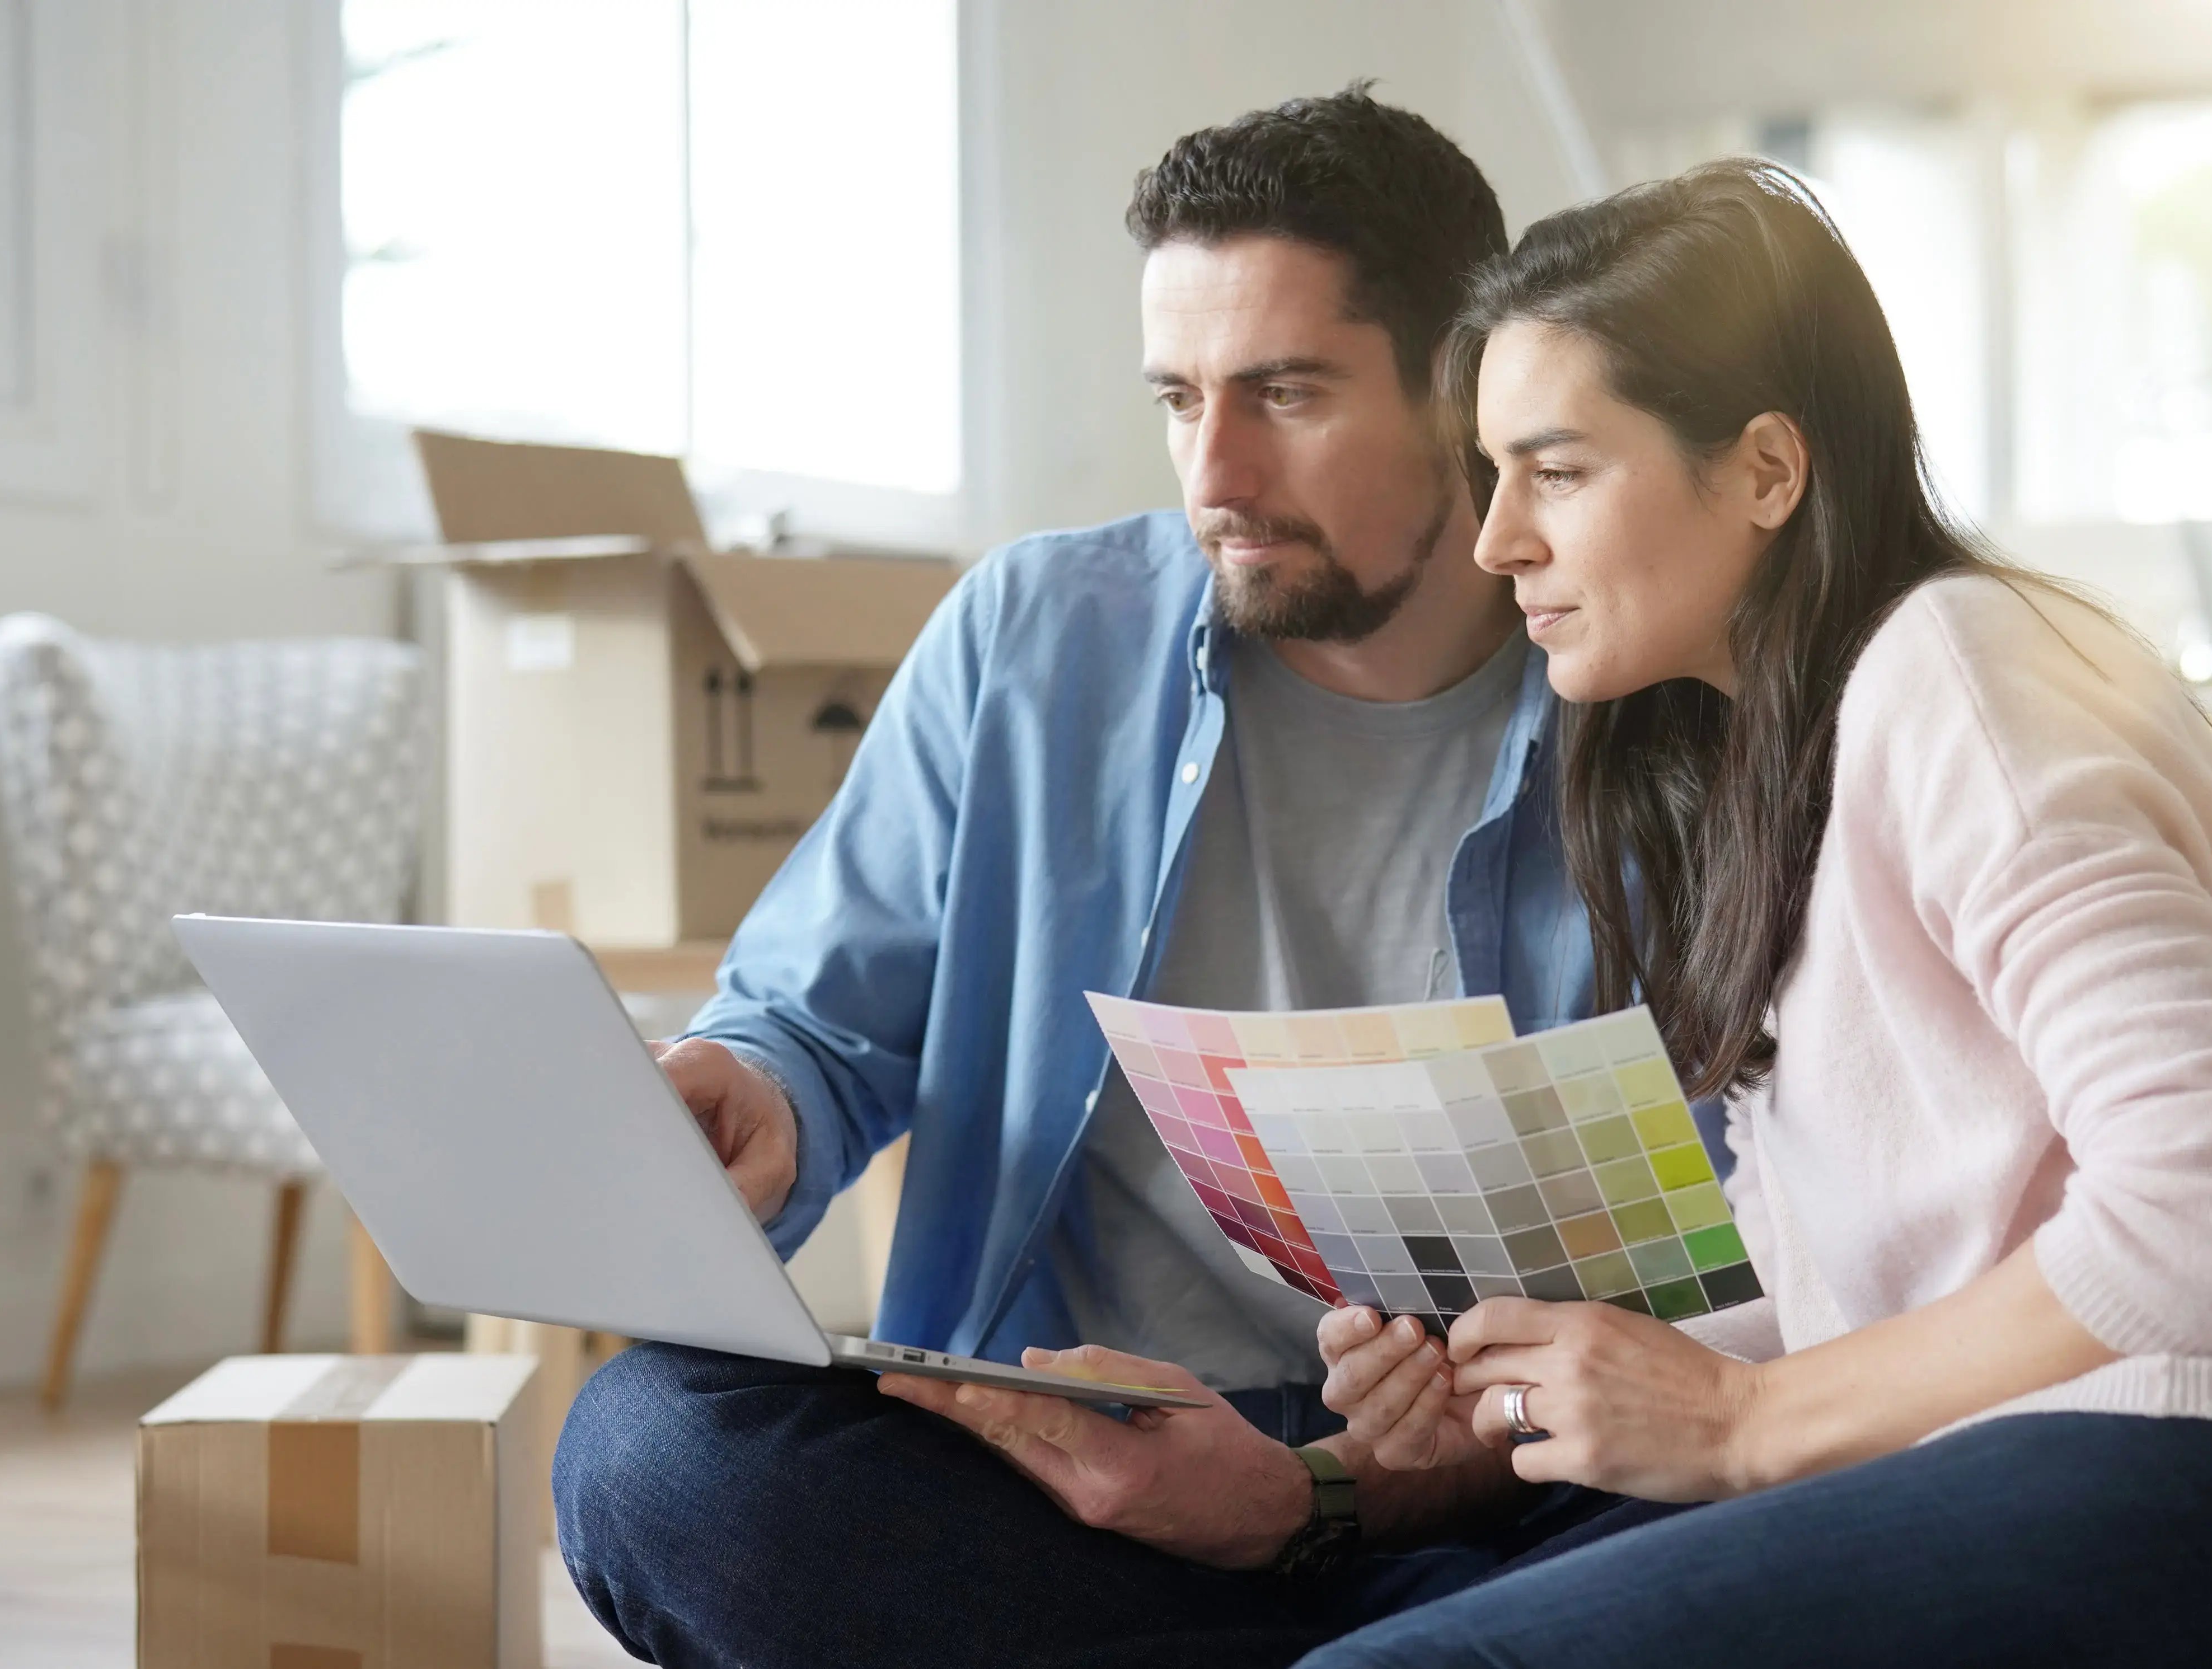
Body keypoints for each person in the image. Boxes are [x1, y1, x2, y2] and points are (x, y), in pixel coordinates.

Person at [1301, 158, 2212, 1667]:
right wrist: (1510, 1392)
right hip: (2118, 1463)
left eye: (1558, 470)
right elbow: (1851, 1291)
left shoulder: (1958, 666)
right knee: (1368, 1620)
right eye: (1491, 476)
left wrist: (1741, 1422)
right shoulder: (1758, 762)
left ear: (1763, 473)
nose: (1495, 543)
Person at [555, 89, 1699, 1669]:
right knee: (651, 1451)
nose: (1212, 471)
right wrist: (755, 1097)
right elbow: (812, 1027)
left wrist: (1352, 1484)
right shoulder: (1033, 633)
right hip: (1074, 1448)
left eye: (1284, 392)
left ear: (1467, 388)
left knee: (1757, 1514)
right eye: (1177, 397)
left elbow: (1739, 1263)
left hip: (1494, 1477)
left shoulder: (1660, 702)